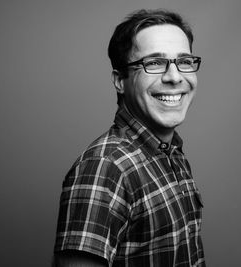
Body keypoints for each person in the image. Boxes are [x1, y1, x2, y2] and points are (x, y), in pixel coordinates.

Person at [53, 9, 205, 267]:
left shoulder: (171, 154)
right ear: (120, 81)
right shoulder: (106, 167)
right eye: (154, 63)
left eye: (185, 61)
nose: (175, 77)